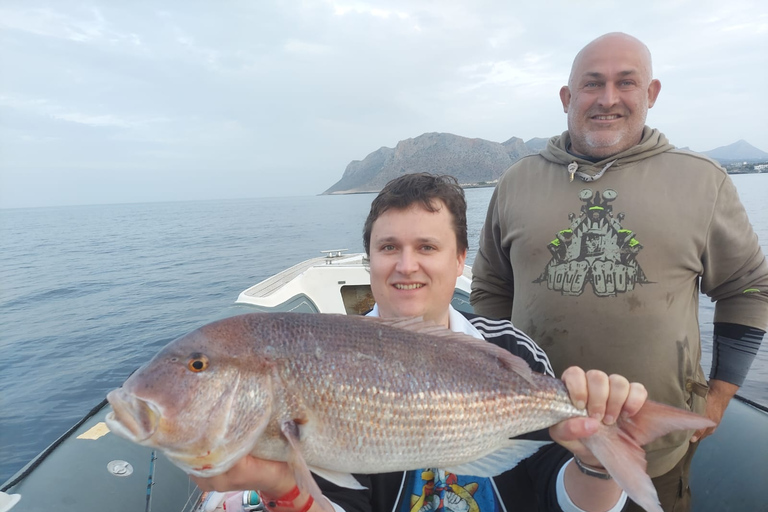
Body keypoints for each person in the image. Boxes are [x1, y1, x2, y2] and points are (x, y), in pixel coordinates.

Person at [193, 173, 656, 512]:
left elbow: (556, 495)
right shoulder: (324, 362)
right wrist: (281, 486)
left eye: (427, 248)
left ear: (459, 261)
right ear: (369, 259)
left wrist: (597, 464)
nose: (406, 265)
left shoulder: (512, 352)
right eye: (389, 247)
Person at [470, 32, 768, 512]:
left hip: (654, 455)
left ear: (650, 94)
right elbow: (489, 288)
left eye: (625, 82)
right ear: (568, 98)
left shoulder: (701, 181)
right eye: (592, 84)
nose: (608, 99)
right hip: (530, 443)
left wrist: (717, 398)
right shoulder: (517, 181)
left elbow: (749, 289)